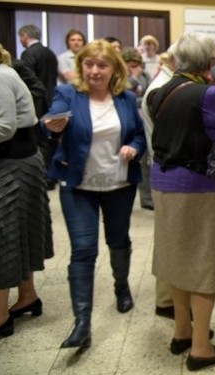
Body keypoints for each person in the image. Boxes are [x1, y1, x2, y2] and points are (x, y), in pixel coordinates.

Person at [149, 32, 215, 371]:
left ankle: (182, 331)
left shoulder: (159, 92)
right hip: (200, 186)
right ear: (211, 63)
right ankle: (200, 349)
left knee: (178, 261)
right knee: (204, 265)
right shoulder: (209, 95)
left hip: (163, 183)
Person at [43, 39, 147, 349]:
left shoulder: (126, 98)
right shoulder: (68, 94)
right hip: (79, 187)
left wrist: (134, 148)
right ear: (80, 67)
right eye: (89, 64)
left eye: (102, 65)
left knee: (118, 240)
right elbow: (51, 119)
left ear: (114, 68)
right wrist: (54, 125)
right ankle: (82, 323)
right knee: (83, 250)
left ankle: (121, 287)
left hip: (118, 185)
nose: (94, 70)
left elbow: (139, 135)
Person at [0, 44, 53, 339]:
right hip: (18, 161)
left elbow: (5, 127)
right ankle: (28, 295)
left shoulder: (0, 76)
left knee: (5, 237)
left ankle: (1, 317)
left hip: (14, 163)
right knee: (17, 234)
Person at [140, 45, 178, 319]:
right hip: (168, 169)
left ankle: (168, 297)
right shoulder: (164, 87)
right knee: (170, 238)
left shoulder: (162, 83)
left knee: (169, 237)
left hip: (164, 167)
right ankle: (166, 300)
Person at [19, 24, 59, 190]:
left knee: (38, 141)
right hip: (52, 100)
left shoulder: (28, 54)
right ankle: (51, 176)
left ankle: (40, 177)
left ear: (25, 35)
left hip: (36, 103)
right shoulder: (50, 53)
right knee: (50, 140)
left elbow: (27, 82)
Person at [121, 47, 153, 211]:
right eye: (131, 65)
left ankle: (147, 198)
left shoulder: (146, 75)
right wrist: (134, 78)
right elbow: (126, 97)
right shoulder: (121, 77)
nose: (135, 67)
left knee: (146, 161)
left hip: (145, 120)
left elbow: (150, 95)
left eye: (137, 64)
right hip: (129, 121)